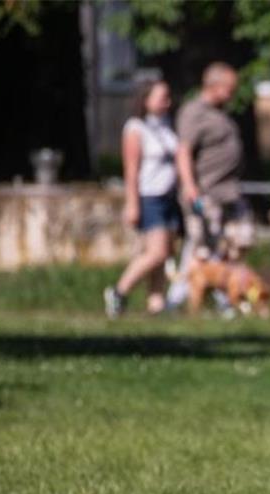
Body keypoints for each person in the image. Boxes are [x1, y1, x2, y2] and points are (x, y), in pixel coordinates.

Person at [166, 62, 255, 309]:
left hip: (229, 191)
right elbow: (183, 151)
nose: (233, 93)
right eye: (230, 87)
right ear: (214, 85)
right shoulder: (195, 112)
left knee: (239, 241)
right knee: (201, 249)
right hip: (205, 191)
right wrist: (190, 186)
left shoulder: (219, 113)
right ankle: (175, 302)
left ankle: (226, 295)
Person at [104, 78, 181, 318]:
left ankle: (156, 303)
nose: (167, 102)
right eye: (161, 97)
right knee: (156, 252)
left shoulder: (166, 125)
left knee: (164, 252)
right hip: (149, 196)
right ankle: (119, 291)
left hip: (169, 196)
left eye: (168, 97)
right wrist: (132, 203)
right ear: (145, 100)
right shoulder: (136, 128)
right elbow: (131, 169)